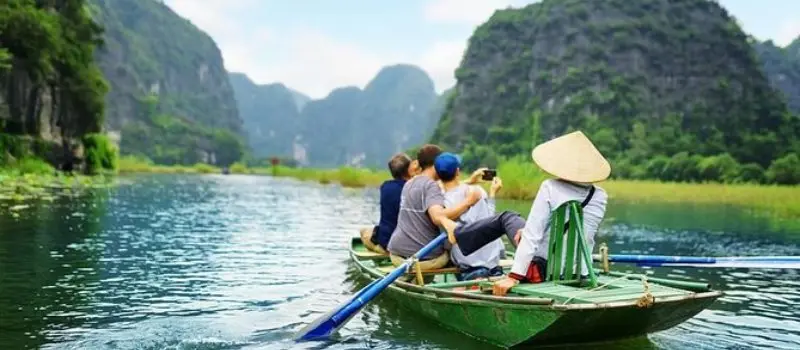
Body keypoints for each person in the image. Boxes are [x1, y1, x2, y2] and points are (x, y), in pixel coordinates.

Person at [445, 131, 610, 296]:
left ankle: (457, 235)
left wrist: (514, 275)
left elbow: (532, 236)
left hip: (544, 269)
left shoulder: (550, 187)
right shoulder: (600, 195)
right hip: (578, 271)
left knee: (507, 217)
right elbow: (583, 234)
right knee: (516, 223)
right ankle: (459, 235)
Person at [386, 144, 482, 270]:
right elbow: (437, 217)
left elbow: (439, 188)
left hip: (396, 253)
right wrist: (469, 202)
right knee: (453, 251)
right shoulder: (431, 186)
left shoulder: (409, 182)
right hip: (421, 259)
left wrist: (469, 181)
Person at [434, 152, 506, 281]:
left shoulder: (437, 200)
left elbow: (444, 186)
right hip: (488, 262)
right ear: (457, 171)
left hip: (464, 263)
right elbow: (490, 222)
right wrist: (493, 194)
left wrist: (470, 180)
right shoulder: (476, 191)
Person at [360, 153, 414, 254]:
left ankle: (380, 249)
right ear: (409, 169)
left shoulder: (385, 187)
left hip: (386, 241)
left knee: (363, 231)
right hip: (407, 242)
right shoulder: (414, 188)